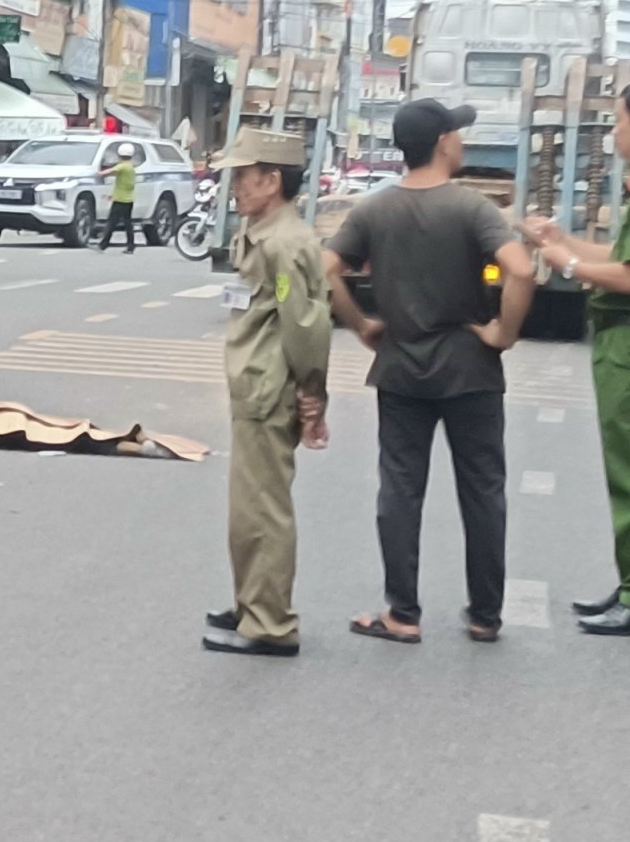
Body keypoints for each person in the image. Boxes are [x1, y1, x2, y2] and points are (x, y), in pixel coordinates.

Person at [326, 99, 535, 644]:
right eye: (458, 132)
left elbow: (323, 268)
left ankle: (402, 614)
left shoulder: (373, 211)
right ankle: (486, 616)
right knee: (484, 490)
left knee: (399, 489)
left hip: (400, 369)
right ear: (442, 141)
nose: (463, 141)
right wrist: (502, 335)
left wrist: (361, 324)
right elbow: (522, 270)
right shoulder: (471, 209)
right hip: (471, 370)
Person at [202, 129, 331, 658]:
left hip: (268, 389)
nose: (234, 187)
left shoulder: (284, 243)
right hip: (255, 385)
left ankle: (271, 622)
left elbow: (304, 326)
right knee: (247, 511)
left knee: (263, 510)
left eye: (243, 176)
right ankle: (251, 602)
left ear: (272, 180)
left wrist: (312, 397)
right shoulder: (260, 231)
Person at [516, 88, 630, 635]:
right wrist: (567, 241)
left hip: (627, 343)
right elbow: (620, 256)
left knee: (628, 472)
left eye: (619, 120)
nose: (613, 132)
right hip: (615, 340)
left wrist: (562, 259)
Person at [98, 142, 140, 253]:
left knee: (111, 222)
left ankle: (103, 244)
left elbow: (110, 171)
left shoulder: (122, 166)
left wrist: (99, 173)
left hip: (120, 200)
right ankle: (131, 246)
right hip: (128, 199)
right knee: (128, 223)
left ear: (119, 155)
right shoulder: (130, 167)